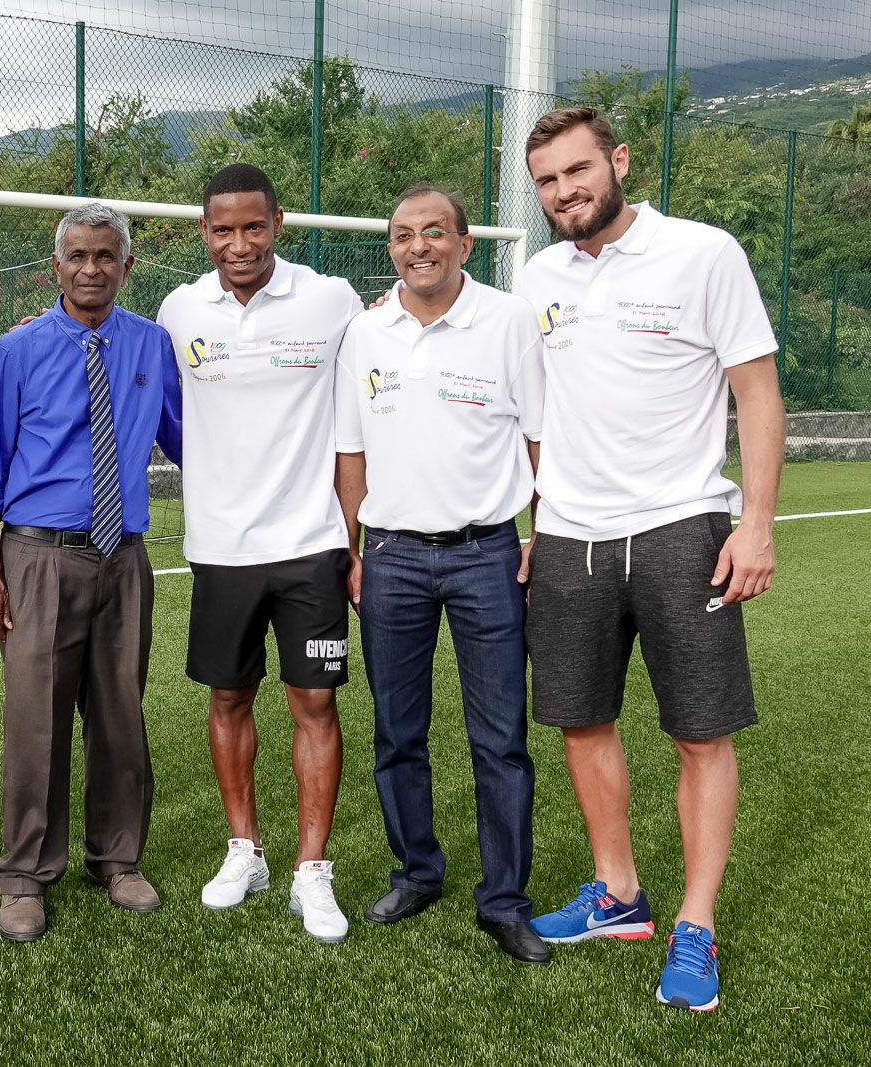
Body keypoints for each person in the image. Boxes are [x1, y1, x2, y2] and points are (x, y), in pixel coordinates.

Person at [517, 107, 784, 1011]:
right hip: (568, 539)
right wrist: (537, 517)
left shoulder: (704, 253)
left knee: (700, 733)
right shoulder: (536, 277)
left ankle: (695, 924)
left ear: (618, 162)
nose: (565, 193)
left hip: (682, 528)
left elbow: (758, 391)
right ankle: (619, 894)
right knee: (580, 719)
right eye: (548, 180)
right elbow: (540, 417)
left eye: (579, 172)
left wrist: (757, 523)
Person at [335, 184, 548, 964]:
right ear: (390, 246)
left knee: (501, 740)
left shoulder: (507, 320)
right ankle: (417, 870)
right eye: (402, 234)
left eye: (434, 232)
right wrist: (354, 551)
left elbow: (538, 437)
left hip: (488, 553)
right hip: (390, 558)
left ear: (464, 242)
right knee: (397, 734)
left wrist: (539, 534)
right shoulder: (365, 333)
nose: (417, 245)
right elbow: (349, 452)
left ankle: (504, 900)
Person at [155, 163, 362, 943]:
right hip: (220, 548)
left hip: (312, 545)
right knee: (229, 698)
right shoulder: (180, 310)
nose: (238, 243)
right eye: (222, 229)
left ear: (279, 222)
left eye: (253, 226)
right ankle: (245, 848)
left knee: (314, 702)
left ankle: (313, 869)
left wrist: (355, 533)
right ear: (203, 232)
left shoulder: (330, 299)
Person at [0, 202, 183, 943]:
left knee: (121, 713)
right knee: (37, 719)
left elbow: (192, 441)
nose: (91, 269)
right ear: (55, 266)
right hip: (36, 555)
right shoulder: (16, 351)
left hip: (122, 555)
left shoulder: (153, 345)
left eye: (106, 257)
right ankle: (25, 874)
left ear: (128, 267)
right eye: (78, 257)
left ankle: (117, 857)